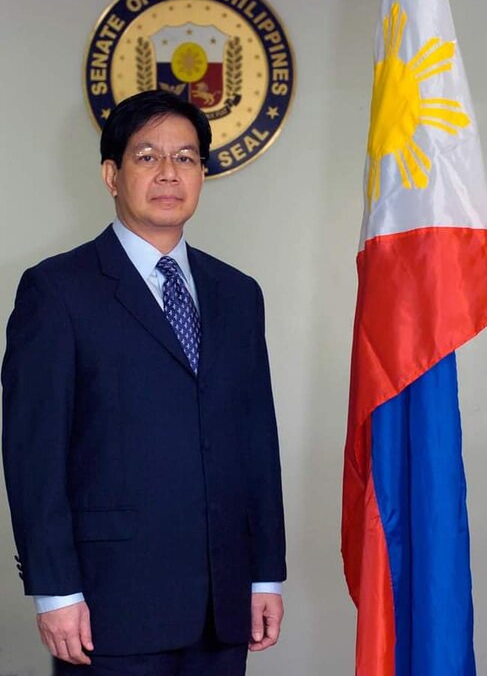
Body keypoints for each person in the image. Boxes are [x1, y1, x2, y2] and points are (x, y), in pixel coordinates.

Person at [2, 90, 286, 676]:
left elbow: (257, 440)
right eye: (147, 156)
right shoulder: (56, 290)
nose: (168, 173)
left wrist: (265, 574)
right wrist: (54, 590)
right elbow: (34, 455)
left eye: (185, 158)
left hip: (222, 603)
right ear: (112, 175)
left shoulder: (239, 294)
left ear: (201, 174)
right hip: (109, 604)